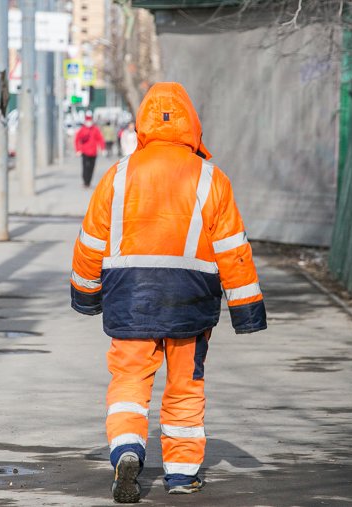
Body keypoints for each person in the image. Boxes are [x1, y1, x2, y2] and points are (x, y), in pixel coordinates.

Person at [69, 82, 267, 503]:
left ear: (142, 125)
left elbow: (91, 241)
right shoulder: (211, 178)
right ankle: (181, 475)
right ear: (191, 124)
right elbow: (233, 248)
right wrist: (247, 310)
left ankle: (127, 450)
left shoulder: (118, 175)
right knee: (185, 386)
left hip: (129, 298)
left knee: (128, 380)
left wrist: (86, 294)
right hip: (190, 299)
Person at [74, 112, 106, 188]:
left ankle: (89, 182)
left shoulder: (95, 129)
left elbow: (100, 139)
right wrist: (78, 150)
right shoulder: (82, 129)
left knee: (91, 167)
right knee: (85, 167)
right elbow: (77, 140)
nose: (89, 122)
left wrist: (103, 148)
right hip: (84, 152)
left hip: (93, 152)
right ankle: (85, 181)